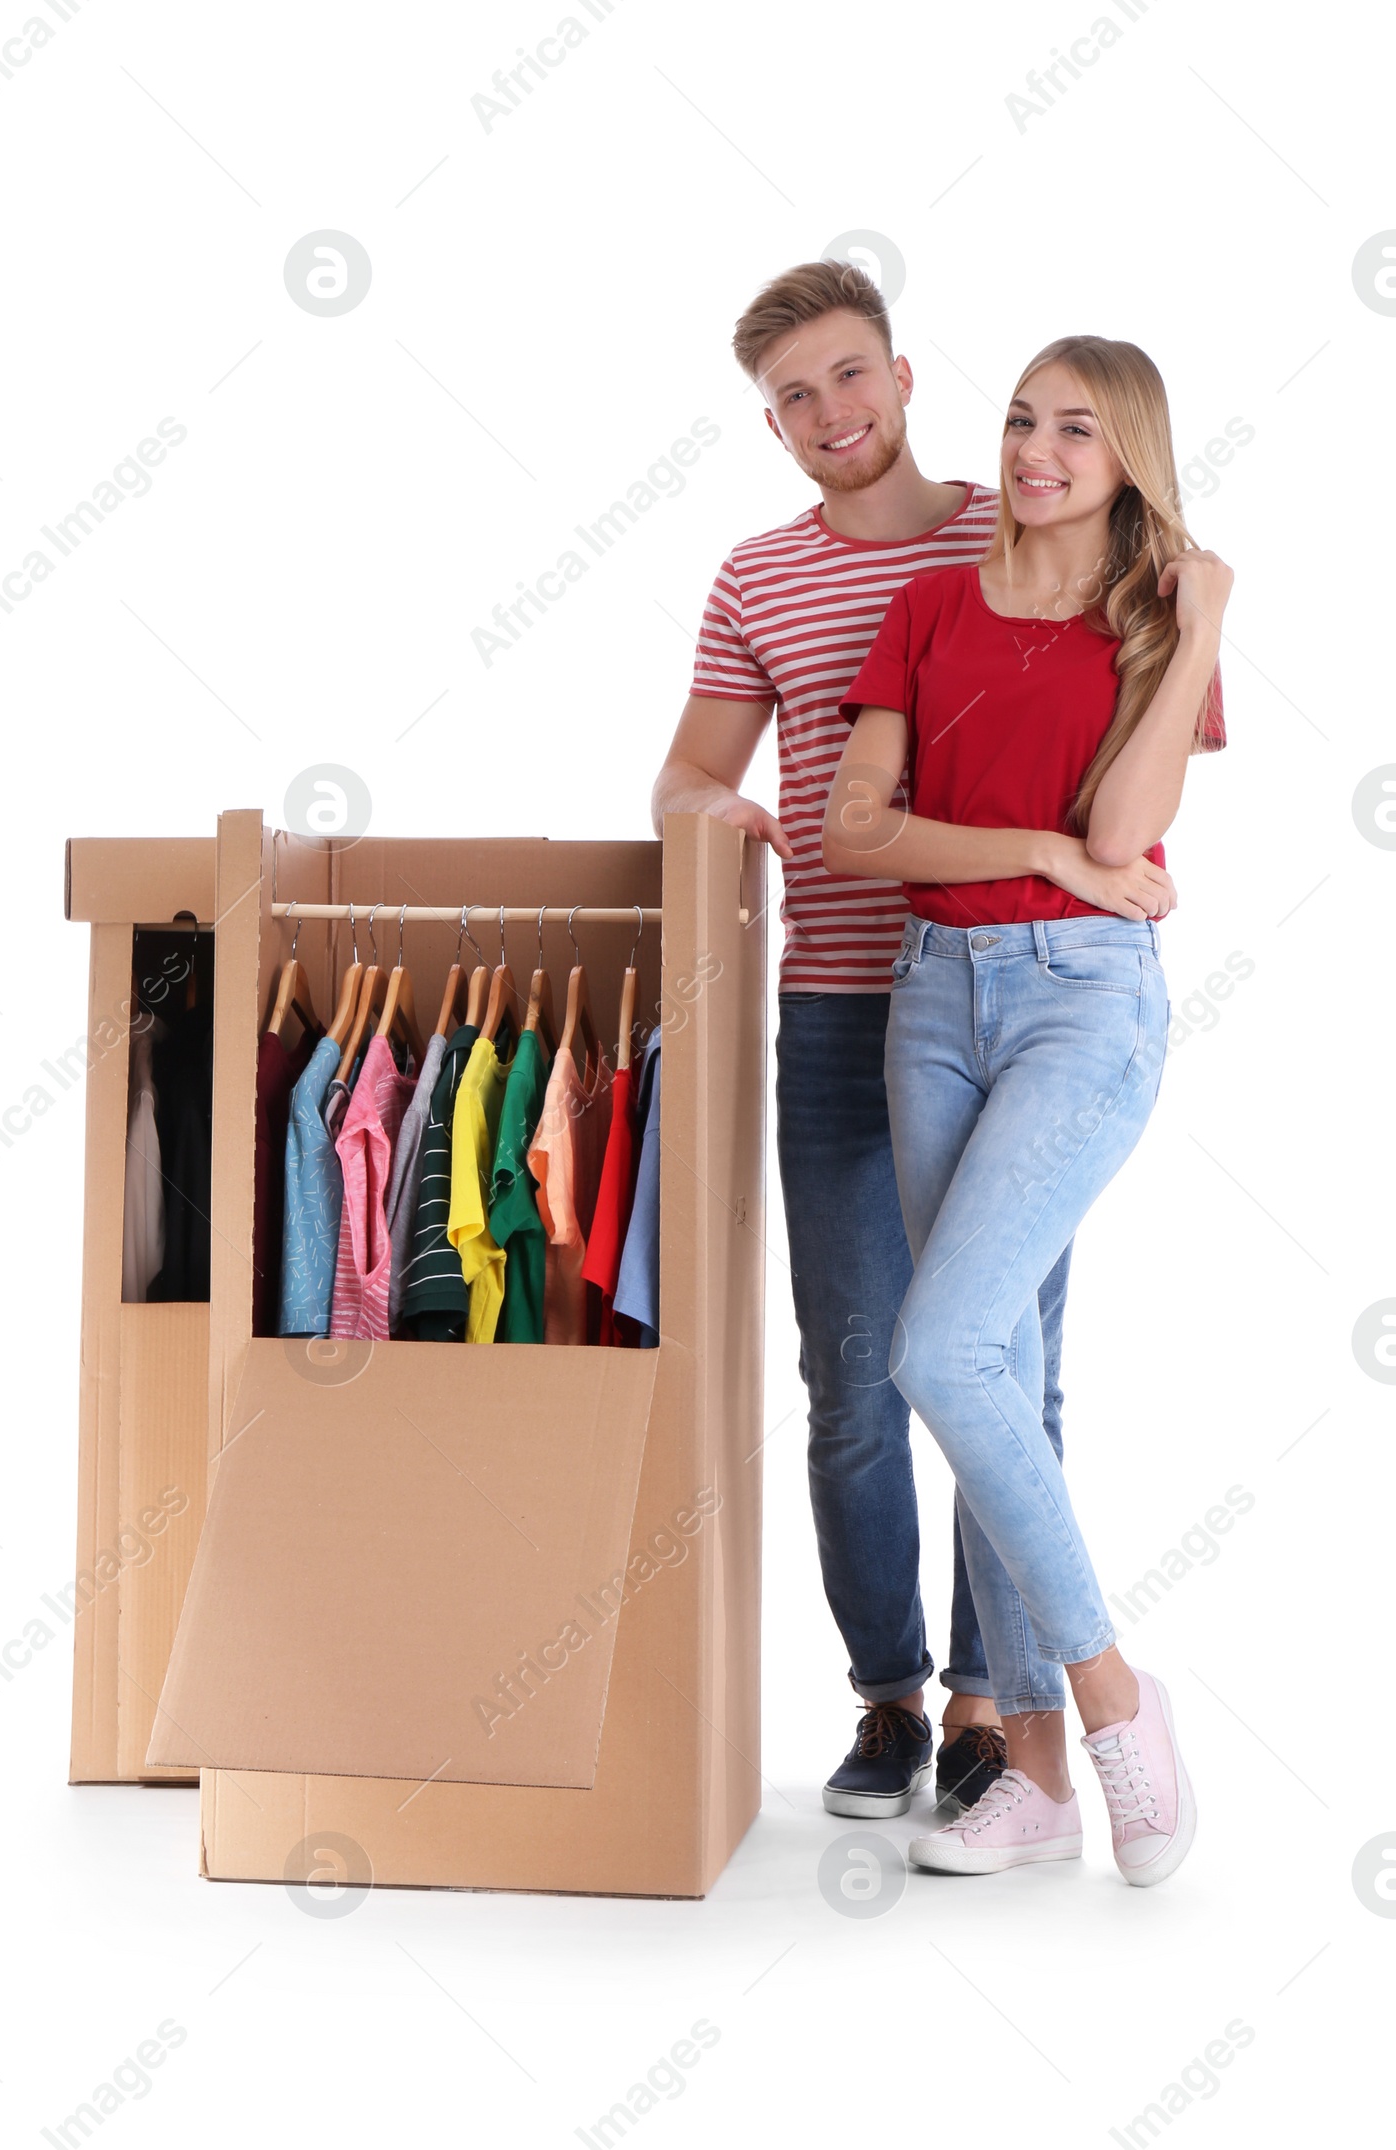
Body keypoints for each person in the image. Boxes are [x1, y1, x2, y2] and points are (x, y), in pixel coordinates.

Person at [651, 261, 1072, 1821]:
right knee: (853, 1378)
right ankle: (890, 1697)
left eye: (847, 377)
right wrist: (722, 809)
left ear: (902, 374)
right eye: (794, 400)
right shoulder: (759, 580)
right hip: (833, 1011)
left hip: (1004, 1000)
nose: (830, 414)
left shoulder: (1018, 529)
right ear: (774, 429)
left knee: (998, 1371)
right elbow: (685, 772)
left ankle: (989, 1704)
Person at [821, 333, 1229, 1884]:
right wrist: (1041, 853)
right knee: (1004, 1372)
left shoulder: (1150, 621)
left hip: (1083, 1003)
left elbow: (1129, 827)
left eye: (1077, 427)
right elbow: (857, 826)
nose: (1036, 447)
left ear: (1131, 458)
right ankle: (1040, 1778)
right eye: (1018, 418)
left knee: (940, 1349)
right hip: (932, 999)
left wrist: (1201, 623)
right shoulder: (927, 604)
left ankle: (1117, 1699)